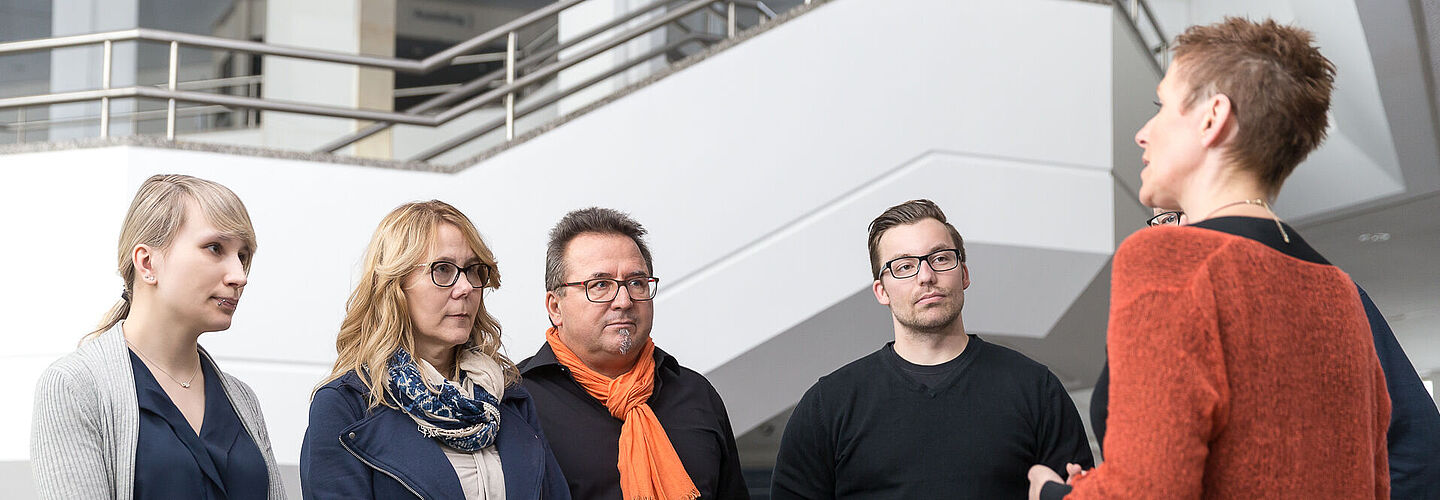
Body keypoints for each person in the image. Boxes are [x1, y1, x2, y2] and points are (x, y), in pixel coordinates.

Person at [1028, 17, 1391, 499]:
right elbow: (1373, 482)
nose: (1142, 134)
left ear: (1212, 117)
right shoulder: (1338, 290)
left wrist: (1051, 493)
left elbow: (1146, 494)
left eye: (1161, 106)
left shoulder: (1169, 258)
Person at [770, 199, 1094, 499]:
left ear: (963, 274)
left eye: (940, 258)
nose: (926, 276)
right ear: (881, 291)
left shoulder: (1036, 390)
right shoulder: (828, 406)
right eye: (904, 266)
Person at [30, 174, 285, 499]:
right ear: (147, 262)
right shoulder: (76, 387)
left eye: (243, 257)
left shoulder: (241, 399)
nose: (239, 276)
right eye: (215, 248)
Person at [300, 200, 569, 499]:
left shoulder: (507, 396)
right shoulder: (345, 406)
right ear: (395, 285)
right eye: (442, 269)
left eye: (473, 270)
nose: (466, 287)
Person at [518, 207, 748, 500]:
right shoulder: (517, 403)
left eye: (636, 283)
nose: (624, 301)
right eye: (600, 285)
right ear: (555, 307)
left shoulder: (696, 394)